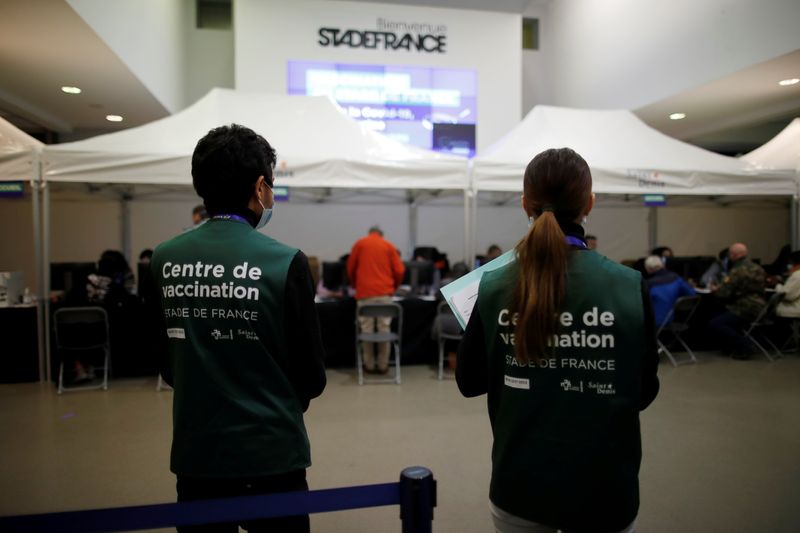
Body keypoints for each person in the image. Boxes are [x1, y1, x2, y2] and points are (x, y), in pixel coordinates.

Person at [456, 147, 659, 533]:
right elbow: (644, 392)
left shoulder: (495, 285)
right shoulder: (629, 286)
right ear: (590, 203)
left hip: (520, 486)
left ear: (524, 204)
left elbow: (469, 383)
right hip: (606, 489)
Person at [151, 124, 326, 532]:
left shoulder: (162, 259)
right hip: (273, 451)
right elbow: (311, 376)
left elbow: (164, 363)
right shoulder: (287, 262)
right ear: (260, 186)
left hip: (198, 452)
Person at [347, 225, 405, 374]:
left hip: (364, 293)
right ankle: (383, 365)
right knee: (384, 329)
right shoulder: (388, 245)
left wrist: (355, 284)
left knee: (366, 330)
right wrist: (394, 286)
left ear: (369, 233)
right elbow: (400, 270)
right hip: (385, 293)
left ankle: (369, 365)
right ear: (381, 234)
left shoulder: (360, 243)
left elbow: (350, 268)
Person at [707, 242, 766, 359]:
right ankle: (733, 348)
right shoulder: (758, 268)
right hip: (760, 308)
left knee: (715, 323)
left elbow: (723, 294)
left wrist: (715, 289)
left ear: (733, 255)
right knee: (726, 320)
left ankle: (745, 344)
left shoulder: (737, 270)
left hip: (743, 308)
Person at [644, 255, 696, 327]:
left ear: (648, 269)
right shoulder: (676, 278)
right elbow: (692, 294)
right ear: (663, 265)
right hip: (672, 320)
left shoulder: (647, 284)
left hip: (653, 324)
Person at [775, 250, 800, 318]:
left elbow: (786, 295)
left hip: (791, 313)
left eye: (790, 263)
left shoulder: (797, 275)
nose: (789, 266)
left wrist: (777, 285)